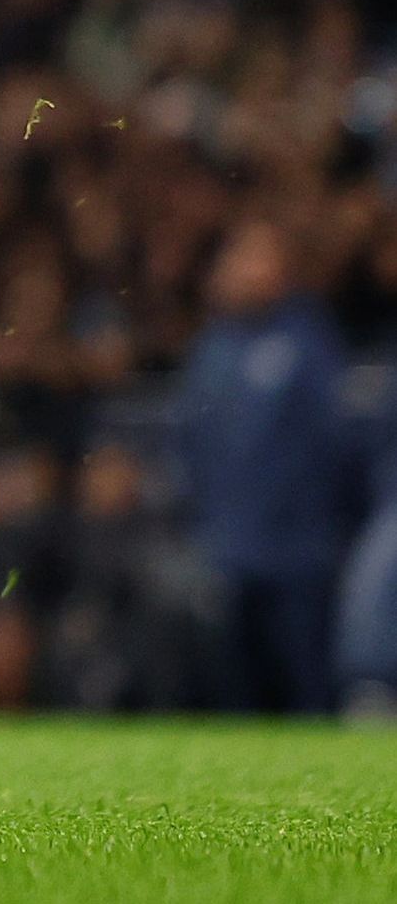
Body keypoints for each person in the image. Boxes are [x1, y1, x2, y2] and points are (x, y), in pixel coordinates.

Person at [172, 217, 360, 714]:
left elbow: (334, 443)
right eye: (238, 257)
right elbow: (190, 440)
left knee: (305, 684)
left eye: (259, 257)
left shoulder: (309, 339)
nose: (245, 270)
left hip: (298, 549)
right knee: (234, 690)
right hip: (227, 547)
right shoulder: (212, 346)